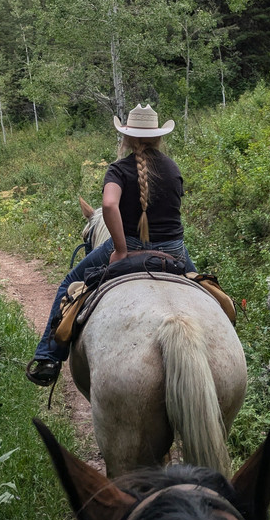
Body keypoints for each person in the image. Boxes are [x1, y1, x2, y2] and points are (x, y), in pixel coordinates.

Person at [25, 104, 196, 387]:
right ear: (158, 137)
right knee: (206, 288)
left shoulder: (119, 169)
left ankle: (48, 358)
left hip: (131, 247)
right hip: (174, 251)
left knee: (68, 282)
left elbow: (108, 204)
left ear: (126, 137)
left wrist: (120, 249)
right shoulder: (172, 168)